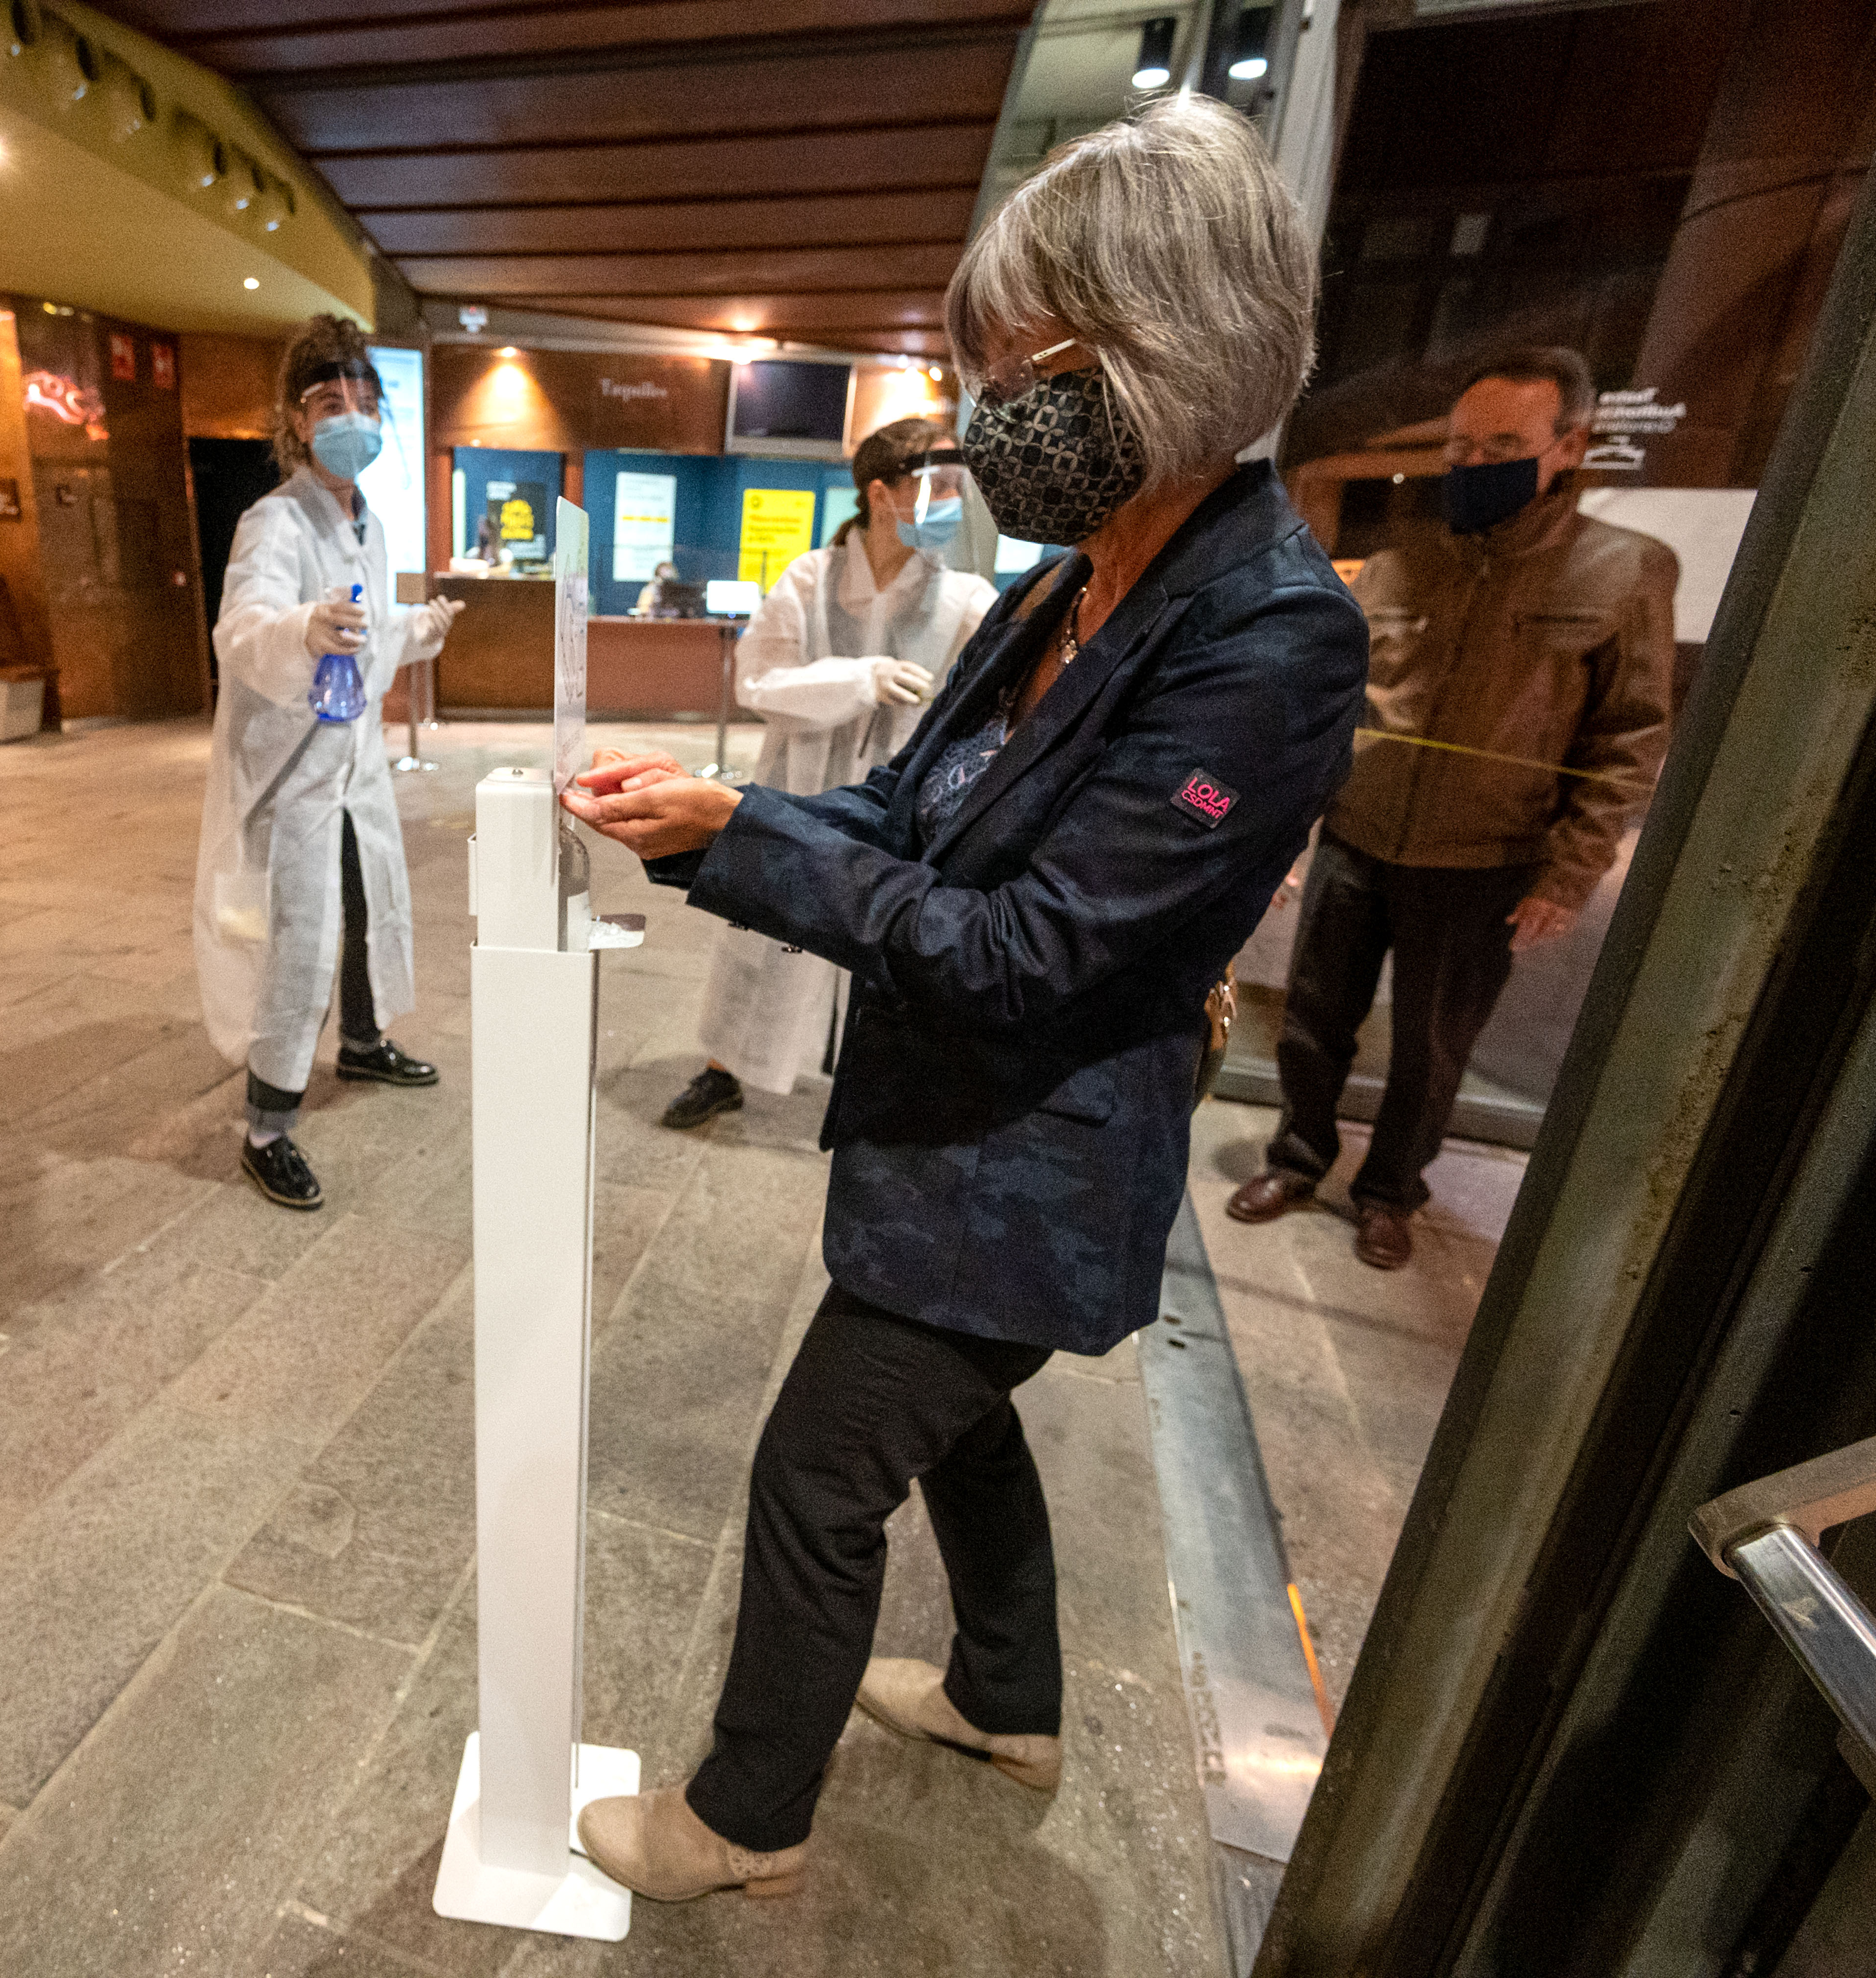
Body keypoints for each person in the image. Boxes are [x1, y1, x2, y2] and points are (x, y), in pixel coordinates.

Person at [553, 93, 1364, 1902]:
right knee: (958, 1421)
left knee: (820, 1469)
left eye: (1023, 369)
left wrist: (751, 844)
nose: (989, 412)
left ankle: (742, 1819)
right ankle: (1008, 1699)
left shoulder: (1266, 631)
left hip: (1037, 1154)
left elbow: (1031, 950)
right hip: (944, 1127)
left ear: (1162, 351)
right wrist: (720, 817)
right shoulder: (1072, 583)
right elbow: (910, 814)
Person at [1225, 347, 1673, 1269]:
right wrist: (1278, 833)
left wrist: (1570, 873)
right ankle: (1297, 1158)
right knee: (1313, 1019)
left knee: (1431, 1049)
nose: (1473, 465)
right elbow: (1333, 713)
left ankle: (1391, 1192)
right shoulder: (1401, 562)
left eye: (1502, 446)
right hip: (1359, 840)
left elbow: (1626, 739)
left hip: (1483, 858)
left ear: (1568, 446)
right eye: (1462, 448)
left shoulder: (1621, 571)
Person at [195, 313, 462, 1213]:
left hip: (355, 767)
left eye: (365, 401)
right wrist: (298, 630)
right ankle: (266, 1127)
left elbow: (366, 634)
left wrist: (415, 628)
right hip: (296, 772)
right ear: (297, 420)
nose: (352, 417)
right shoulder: (274, 522)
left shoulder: (368, 522)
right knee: (298, 936)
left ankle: (362, 1041)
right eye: (329, 402)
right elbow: (243, 629)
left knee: (369, 902)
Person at [659, 418, 997, 1130]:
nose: (951, 502)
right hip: (801, 788)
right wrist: (859, 679)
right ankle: (723, 1069)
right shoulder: (810, 579)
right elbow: (758, 681)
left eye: (956, 488)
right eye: (936, 485)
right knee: (761, 932)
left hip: (895, 806)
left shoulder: (965, 600)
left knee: (883, 937)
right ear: (882, 493)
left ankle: (868, 1090)